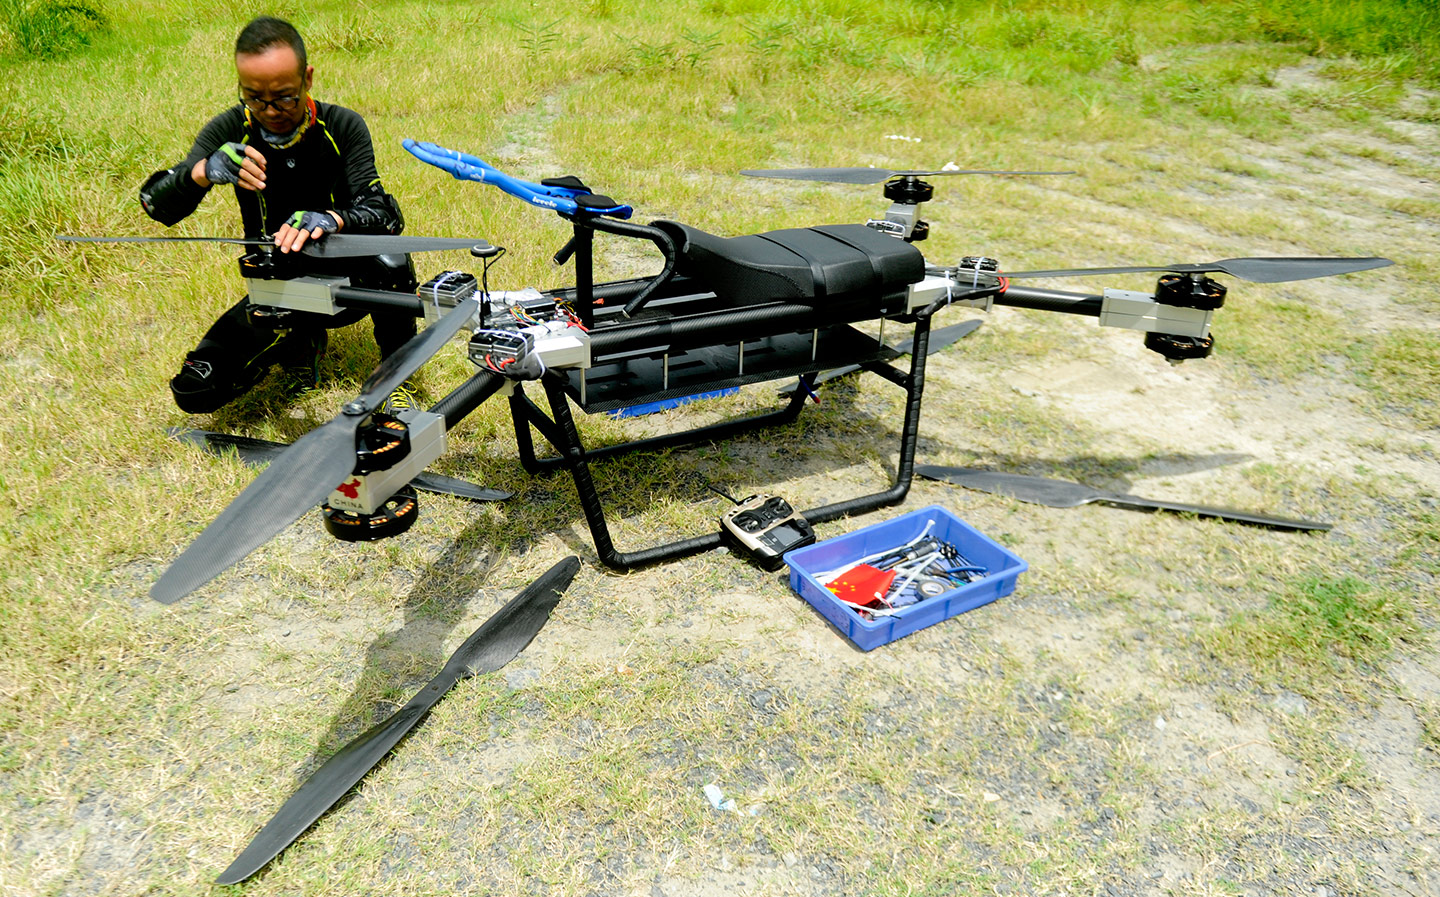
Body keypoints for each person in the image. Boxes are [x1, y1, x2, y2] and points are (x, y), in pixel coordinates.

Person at [140, 16, 418, 414]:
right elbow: (156, 206)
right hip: (278, 282)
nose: (270, 111)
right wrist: (203, 172)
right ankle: (300, 343)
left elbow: (384, 214)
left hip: (354, 278)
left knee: (391, 259)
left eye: (285, 97)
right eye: (254, 98)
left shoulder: (343, 126)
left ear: (307, 78)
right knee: (194, 391)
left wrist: (331, 219)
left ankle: (397, 370)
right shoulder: (229, 131)